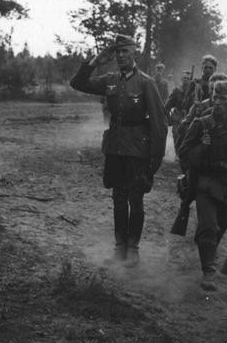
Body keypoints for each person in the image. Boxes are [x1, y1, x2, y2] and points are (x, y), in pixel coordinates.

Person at [69, 34, 168, 267]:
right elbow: (77, 83)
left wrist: (157, 156)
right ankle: (119, 248)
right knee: (119, 199)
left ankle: (133, 248)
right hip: (115, 148)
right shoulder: (110, 79)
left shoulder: (146, 83)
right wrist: (95, 62)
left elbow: (160, 124)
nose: (121, 56)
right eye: (117, 52)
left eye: (125, 51)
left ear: (134, 53)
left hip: (138, 150)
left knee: (136, 199)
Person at [178, 80, 227, 290]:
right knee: (208, 225)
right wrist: (202, 147)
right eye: (215, 98)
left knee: (221, 226)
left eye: (223, 99)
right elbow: (184, 151)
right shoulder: (202, 123)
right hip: (205, 182)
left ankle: (207, 252)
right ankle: (208, 270)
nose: (217, 103)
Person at [165, 70, 192, 155]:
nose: (186, 80)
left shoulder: (194, 91)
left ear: (191, 80)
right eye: (184, 78)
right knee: (176, 136)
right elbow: (167, 106)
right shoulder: (176, 90)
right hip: (177, 117)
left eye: (188, 78)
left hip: (189, 118)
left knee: (188, 138)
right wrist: (169, 119)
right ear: (181, 79)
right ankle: (177, 155)